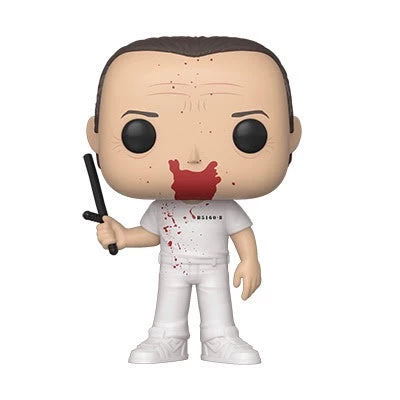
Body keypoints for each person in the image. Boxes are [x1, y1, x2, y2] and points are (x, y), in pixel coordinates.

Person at [86, 36, 302, 365]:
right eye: (140, 135)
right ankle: (167, 338)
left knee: (218, 307)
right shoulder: (163, 208)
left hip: (215, 266)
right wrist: (124, 236)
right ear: (96, 136)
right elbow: (152, 233)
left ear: (291, 136)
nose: (194, 158)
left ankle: (220, 339)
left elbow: (241, 232)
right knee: (168, 306)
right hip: (172, 266)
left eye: (249, 135)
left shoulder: (225, 208)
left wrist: (250, 260)